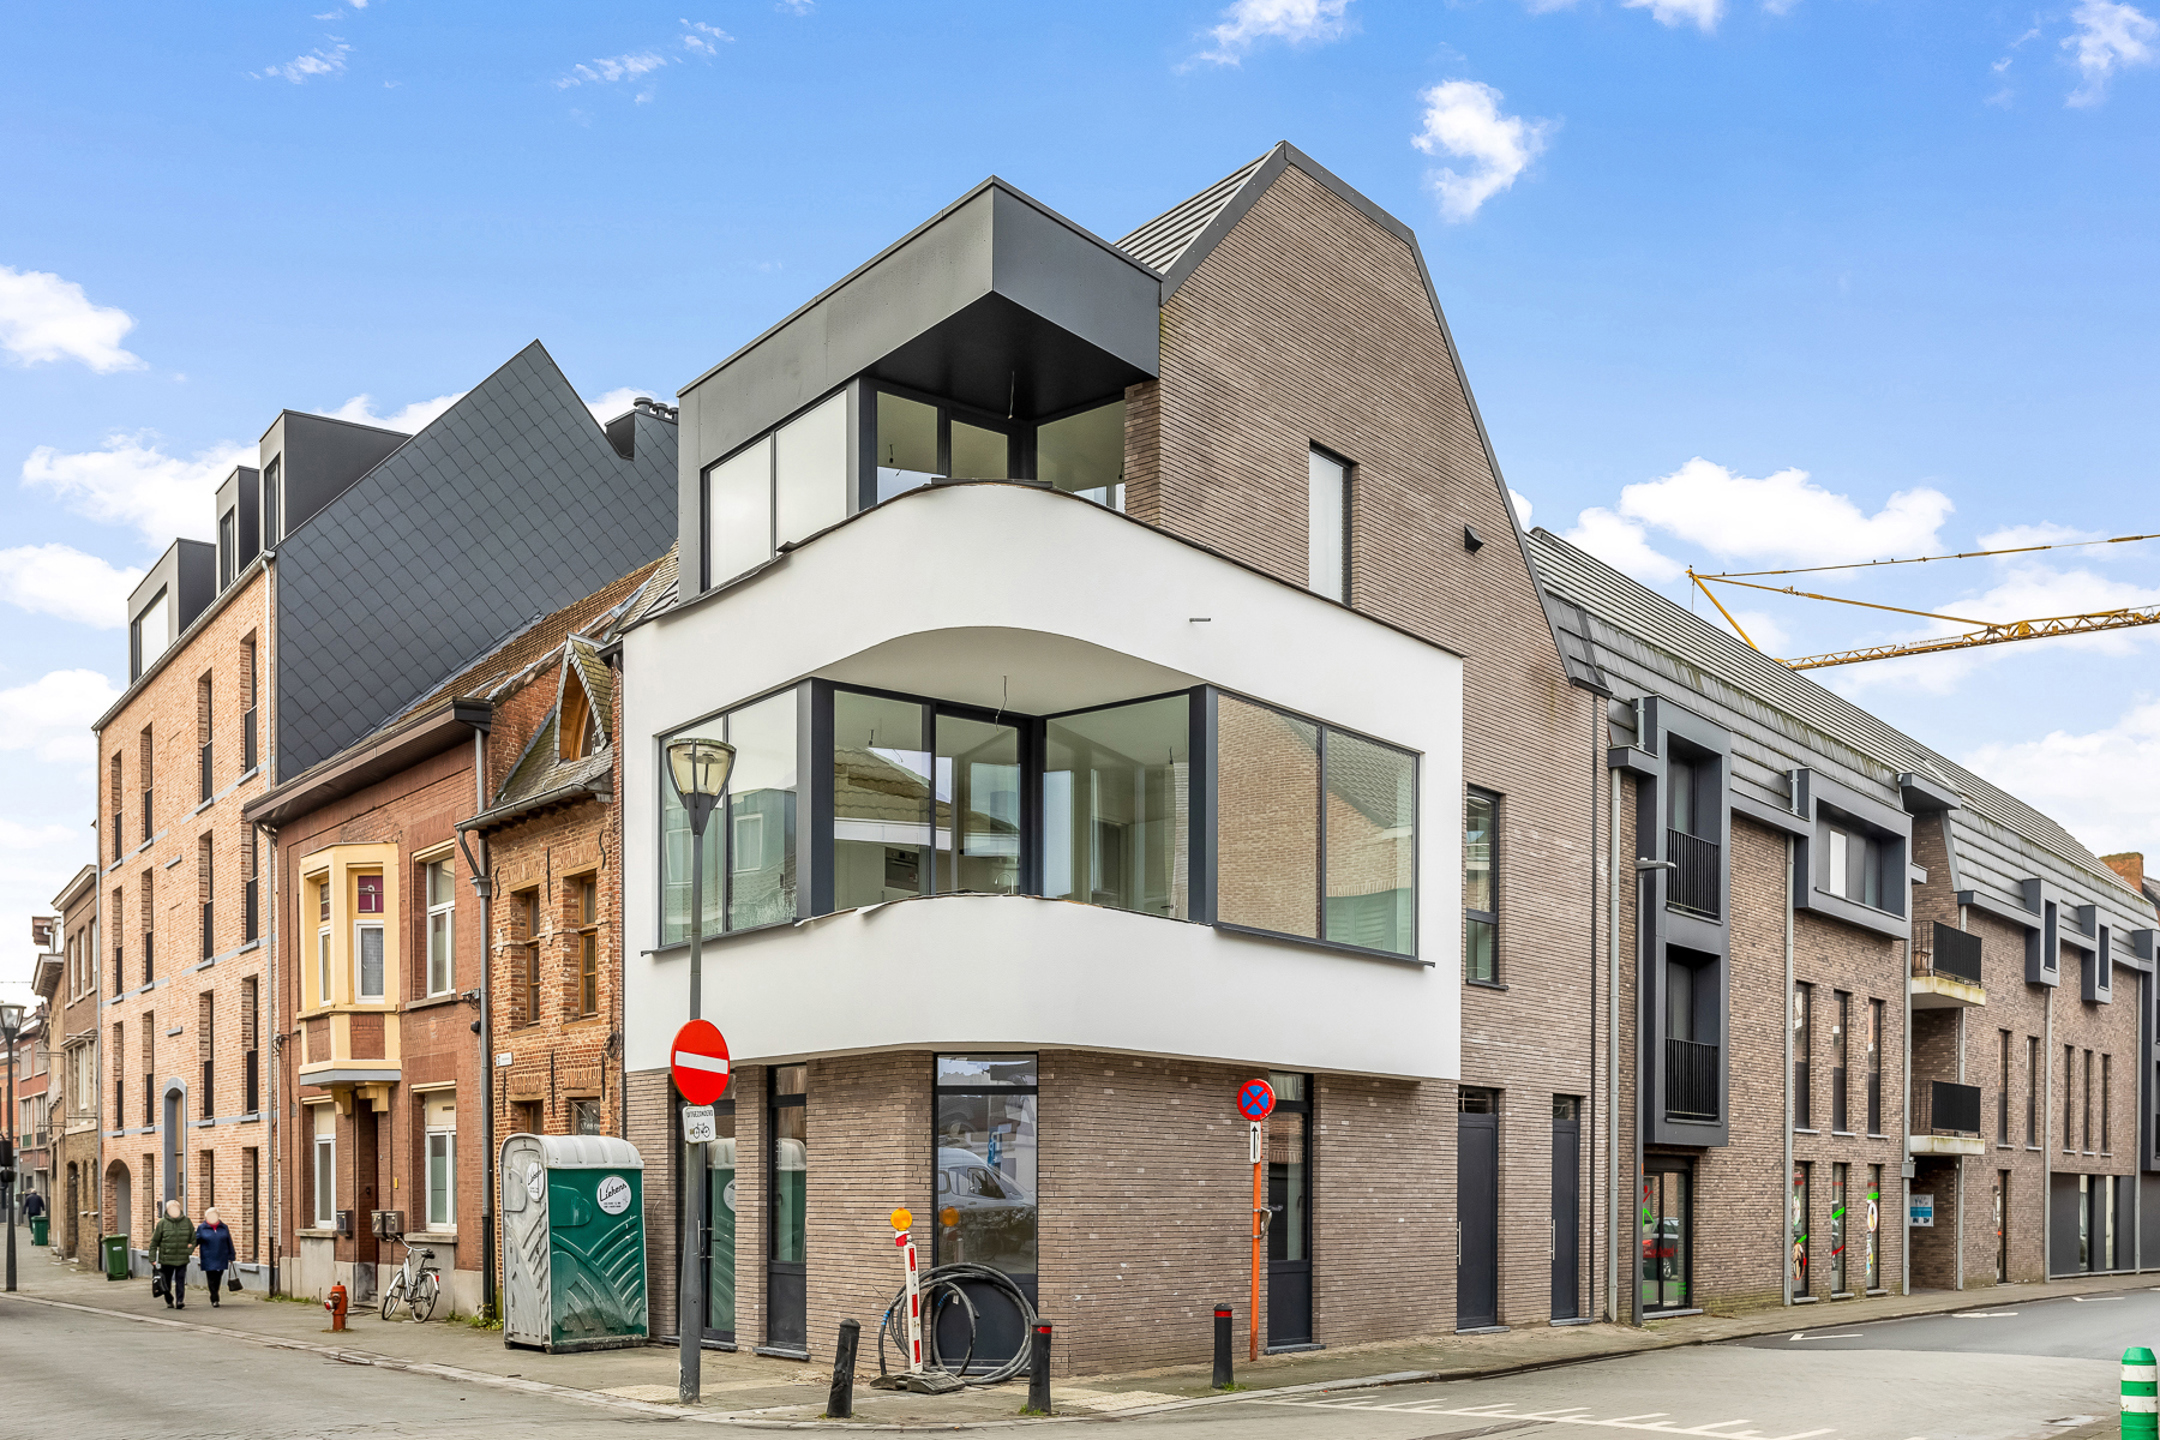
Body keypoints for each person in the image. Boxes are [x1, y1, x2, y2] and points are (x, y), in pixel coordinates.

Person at [150, 1199, 197, 1310]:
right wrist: (152, 1258)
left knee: (180, 1280)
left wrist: (189, 1250)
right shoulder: (162, 1223)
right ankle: (169, 1299)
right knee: (166, 1281)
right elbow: (154, 1242)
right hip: (167, 1258)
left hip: (182, 1257)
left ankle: (180, 1300)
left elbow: (193, 1239)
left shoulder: (187, 1222)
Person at [194, 1207, 235, 1307]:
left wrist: (231, 1254)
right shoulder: (202, 1228)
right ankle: (214, 1297)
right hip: (208, 1256)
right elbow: (196, 1240)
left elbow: (229, 1241)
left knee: (218, 1277)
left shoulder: (224, 1227)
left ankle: (215, 1292)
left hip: (221, 1255)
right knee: (211, 1278)